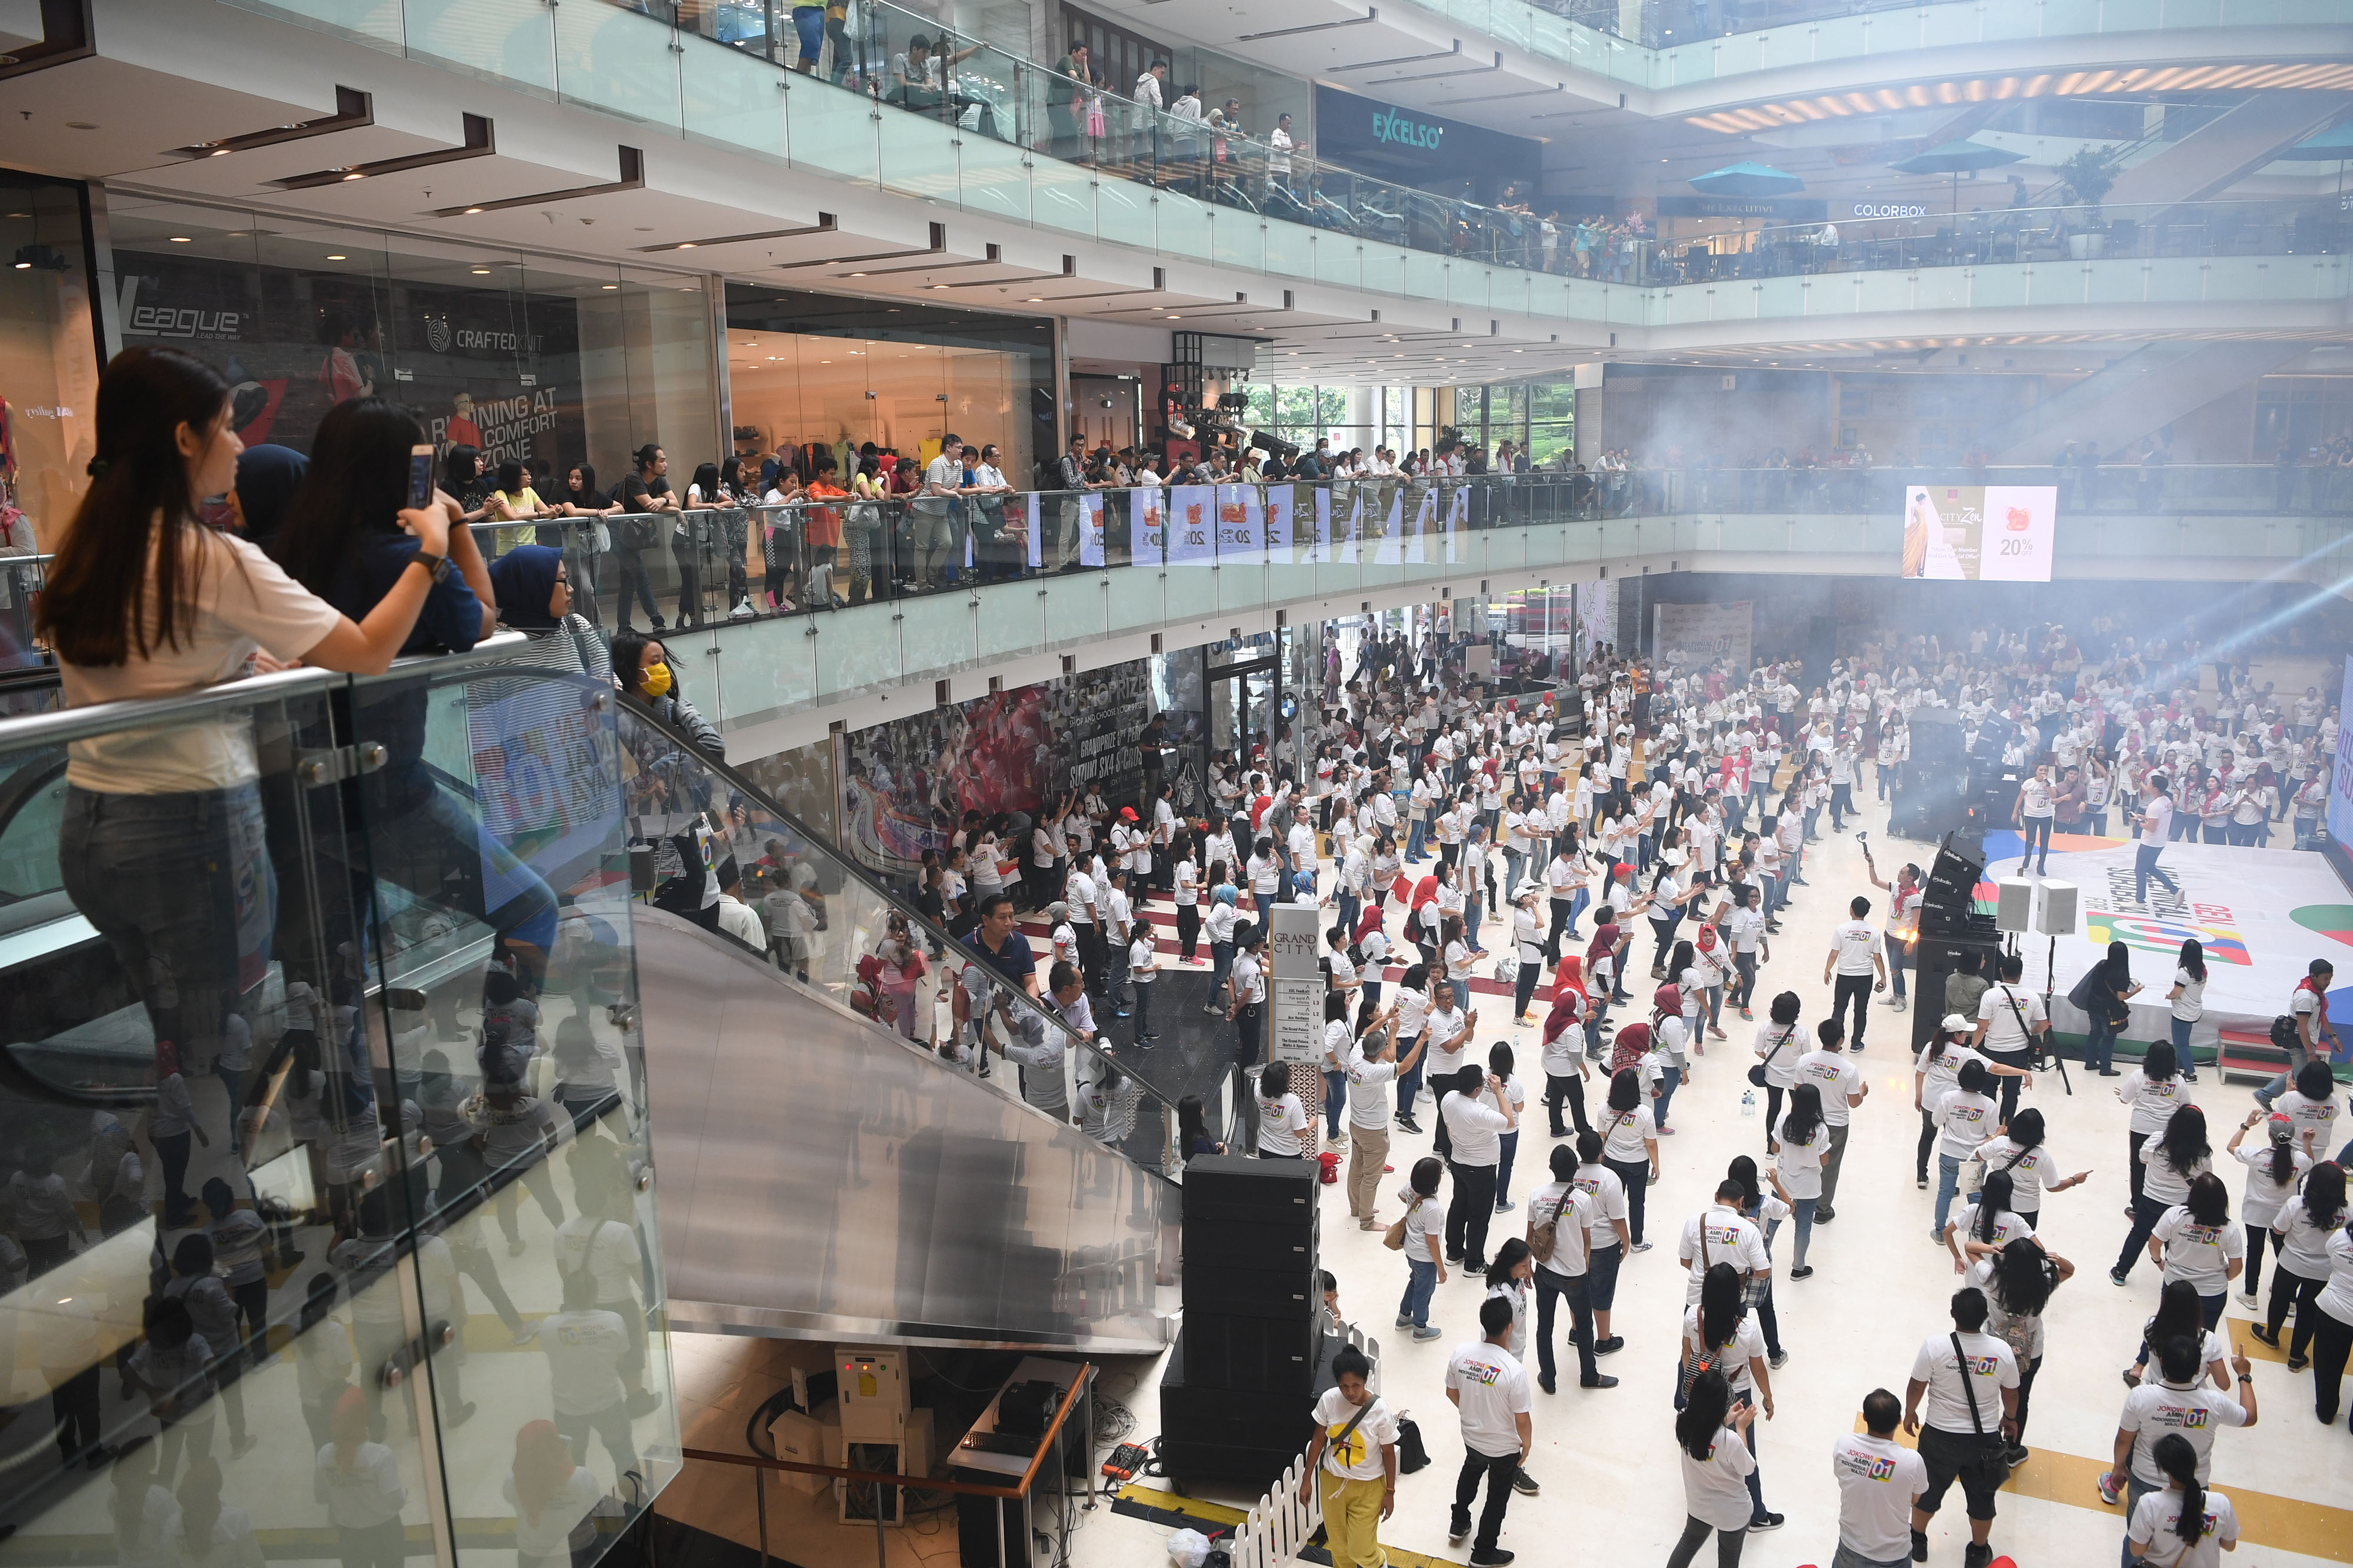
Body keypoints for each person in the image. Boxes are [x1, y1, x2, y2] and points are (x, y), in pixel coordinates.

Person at [38, 353, 459, 1148]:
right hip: (191, 830)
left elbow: (147, 658)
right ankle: (210, 1243)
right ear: (185, 438)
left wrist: (233, 663)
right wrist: (432, 550)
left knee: (181, 1052)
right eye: (228, 426)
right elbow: (366, 650)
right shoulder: (213, 559)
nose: (238, 445)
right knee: (212, 1060)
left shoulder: (83, 550)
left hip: (92, 828)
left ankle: (195, 1225)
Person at [1902, 1287, 2021, 1568]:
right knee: (1982, 1496)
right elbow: (2011, 1392)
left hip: (1939, 1437)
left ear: (1953, 1314)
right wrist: (2011, 1418)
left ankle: (1917, 1540)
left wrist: (1910, 1412)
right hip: (1985, 1440)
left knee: (1927, 1491)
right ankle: (1978, 1552)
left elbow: (1917, 1384)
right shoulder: (2001, 1351)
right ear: (1985, 1316)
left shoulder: (1936, 1346)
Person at [2098, 1335, 2255, 1531]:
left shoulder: (2141, 1397)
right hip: (2194, 1485)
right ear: (2199, 1369)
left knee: (2137, 1538)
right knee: (2185, 1540)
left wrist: (2119, 1468)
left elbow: (2124, 1440)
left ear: (2162, 1362)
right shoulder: (2214, 1403)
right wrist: (2243, 1375)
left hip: (2145, 1480)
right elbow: (2249, 1417)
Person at [1445, 1293, 1533, 1567]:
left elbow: (1451, 1392)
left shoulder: (1461, 1354)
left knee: (1470, 1473)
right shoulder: (1513, 1371)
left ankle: (1459, 1522)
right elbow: (1522, 1418)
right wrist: (1527, 1444)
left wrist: (1471, 1412)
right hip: (1503, 1447)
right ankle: (1483, 1551)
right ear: (1510, 1327)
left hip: (1471, 1436)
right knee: (1497, 1496)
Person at [1298, 1345, 1397, 1568]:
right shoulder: (1329, 1400)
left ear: (1366, 1381)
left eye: (1356, 1386)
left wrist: (1390, 1492)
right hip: (1333, 1483)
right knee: (1341, 1551)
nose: (1350, 1392)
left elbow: (1389, 1453)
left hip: (1369, 1487)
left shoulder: (1380, 1410)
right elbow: (1318, 1440)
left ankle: (1379, 1562)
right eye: (1344, 1386)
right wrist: (1306, 1479)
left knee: (1361, 1550)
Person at [1665, 1366, 1758, 1568]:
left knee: (1687, 1545)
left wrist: (1727, 1420)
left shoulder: (1683, 1423)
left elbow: (1707, 1438)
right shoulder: (1730, 1440)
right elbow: (1748, 1468)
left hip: (1699, 1506)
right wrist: (1741, 1428)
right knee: (1728, 1561)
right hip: (1732, 1514)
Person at [2116, 1105, 2212, 1287]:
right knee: (2175, 1242)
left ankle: (2121, 1271)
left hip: (2152, 1199)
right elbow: (2205, 1180)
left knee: (2138, 1235)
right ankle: (2173, 1280)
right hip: (2181, 1206)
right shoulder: (2203, 1153)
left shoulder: (2158, 1140)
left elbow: (2143, 1159)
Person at [1830, 1389, 1928, 1568]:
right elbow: (1915, 1499)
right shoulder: (1912, 1461)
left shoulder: (1844, 1445)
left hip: (1850, 1548)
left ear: (1865, 1418)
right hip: (1893, 1556)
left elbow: (1841, 1476)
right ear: (1899, 1421)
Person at [1440, 1063, 1517, 1273]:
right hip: (1481, 1169)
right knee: (1479, 1216)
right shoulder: (1480, 1112)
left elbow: (1448, 1128)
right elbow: (1509, 1121)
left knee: (1458, 1208)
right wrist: (1499, 1091)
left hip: (1458, 1162)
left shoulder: (1448, 1099)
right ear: (1477, 1090)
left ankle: (1453, 1252)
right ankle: (1473, 1264)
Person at [1345, 1005, 1417, 1229]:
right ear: (1377, 1054)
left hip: (1356, 1123)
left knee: (1356, 1168)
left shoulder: (1355, 1055)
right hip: (1373, 1131)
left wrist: (1387, 1018)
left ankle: (1357, 1208)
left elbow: (1366, 1032)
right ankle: (1367, 1220)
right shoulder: (1373, 1072)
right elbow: (1403, 1066)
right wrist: (1422, 1040)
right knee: (1372, 1177)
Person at [2124, 1431, 2240, 1567]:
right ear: (2195, 1464)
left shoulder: (2151, 1504)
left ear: (2164, 1469)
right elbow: (2230, 1545)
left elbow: (2136, 1550)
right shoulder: (2221, 1503)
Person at [1795, 1018, 1867, 1222]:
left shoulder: (1805, 1061)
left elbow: (1798, 1092)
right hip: (1836, 1124)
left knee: (1804, 1160)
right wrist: (1862, 1092)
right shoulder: (1849, 1069)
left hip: (1807, 1119)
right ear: (1841, 1040)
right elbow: (1853, 1103)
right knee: (1830, 1166)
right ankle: (1822, 1209)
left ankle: (1800, 1202)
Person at [2254, 959, 2340, 1111]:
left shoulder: (2317, 993)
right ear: (2313, 976)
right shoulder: (2305, 996)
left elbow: (2322, 1015)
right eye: (2325, 979)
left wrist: (2332, 1036)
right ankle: (2298, 1110)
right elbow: (2302, 1026)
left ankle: (2264, 1095)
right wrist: (2311, 1052)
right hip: (2299, 1042)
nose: (2328, 982)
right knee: (2302, 1078)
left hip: (2308, 1040)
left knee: (2297, 1071)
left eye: (2330, 979)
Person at [1823, 896, 1886, 1053]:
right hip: (1865, 977)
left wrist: (1827, 970)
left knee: (1839, 1009)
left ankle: (1835, 1042)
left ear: (1851, 910)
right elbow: (1877, 957)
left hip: (1845, 975)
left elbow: (1834, 953)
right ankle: (1856, 1043)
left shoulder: (1842, 930)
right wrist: (1883, 977)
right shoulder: (1873, 932)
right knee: (1860, 1010)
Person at [1396, 1156, 1448, 1342]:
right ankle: (1420, 1329)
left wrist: (1413, 1207)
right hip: (1425, 1257)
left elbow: (1401, 1196)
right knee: (1424, 1292)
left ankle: (1403, 1317)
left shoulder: (1411, 1187)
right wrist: (1441, 1268)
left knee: (1415, 1282)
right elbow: (1432, 1241)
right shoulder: (1432, 1208)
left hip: (1410, 1249)